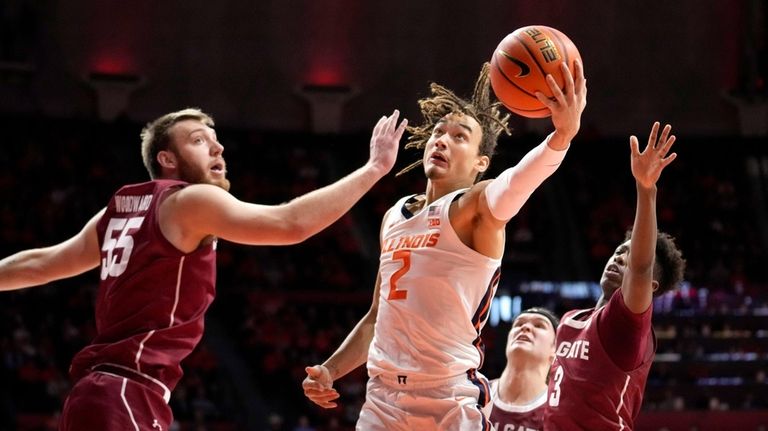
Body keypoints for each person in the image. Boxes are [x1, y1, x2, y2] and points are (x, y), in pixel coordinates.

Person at [0, 107, 407, 430]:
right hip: (124, 391)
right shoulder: (188, 201)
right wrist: (373, 169)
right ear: (167, 159)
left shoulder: (121, 209)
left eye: (216, 142)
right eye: (198, 141)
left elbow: (41, 264)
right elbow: (290, 224)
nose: (218, 150)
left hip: (98, 392)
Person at [303, 59, 587, 430]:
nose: (442, 140)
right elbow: (377, 317)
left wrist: (560, 138)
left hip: (447, 400)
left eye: (459, 136)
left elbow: (517, 182)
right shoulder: (394, 216)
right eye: (439, 131)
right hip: (383, 400)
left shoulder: (476, 209)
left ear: (480, 163)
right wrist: (330, 369)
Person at [543, 122, 686, 430]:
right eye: (620, 251)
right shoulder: (569, 320)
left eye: (629, 254)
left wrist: (646, 190)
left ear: (651, 287)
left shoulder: (626, 325)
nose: (622, 257)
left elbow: (641, 266)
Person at [483, 307, 559, 431]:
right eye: (518, 324)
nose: (525, 327)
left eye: (539, 325)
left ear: (555, 348)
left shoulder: (558, 413)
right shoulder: (476, 395)